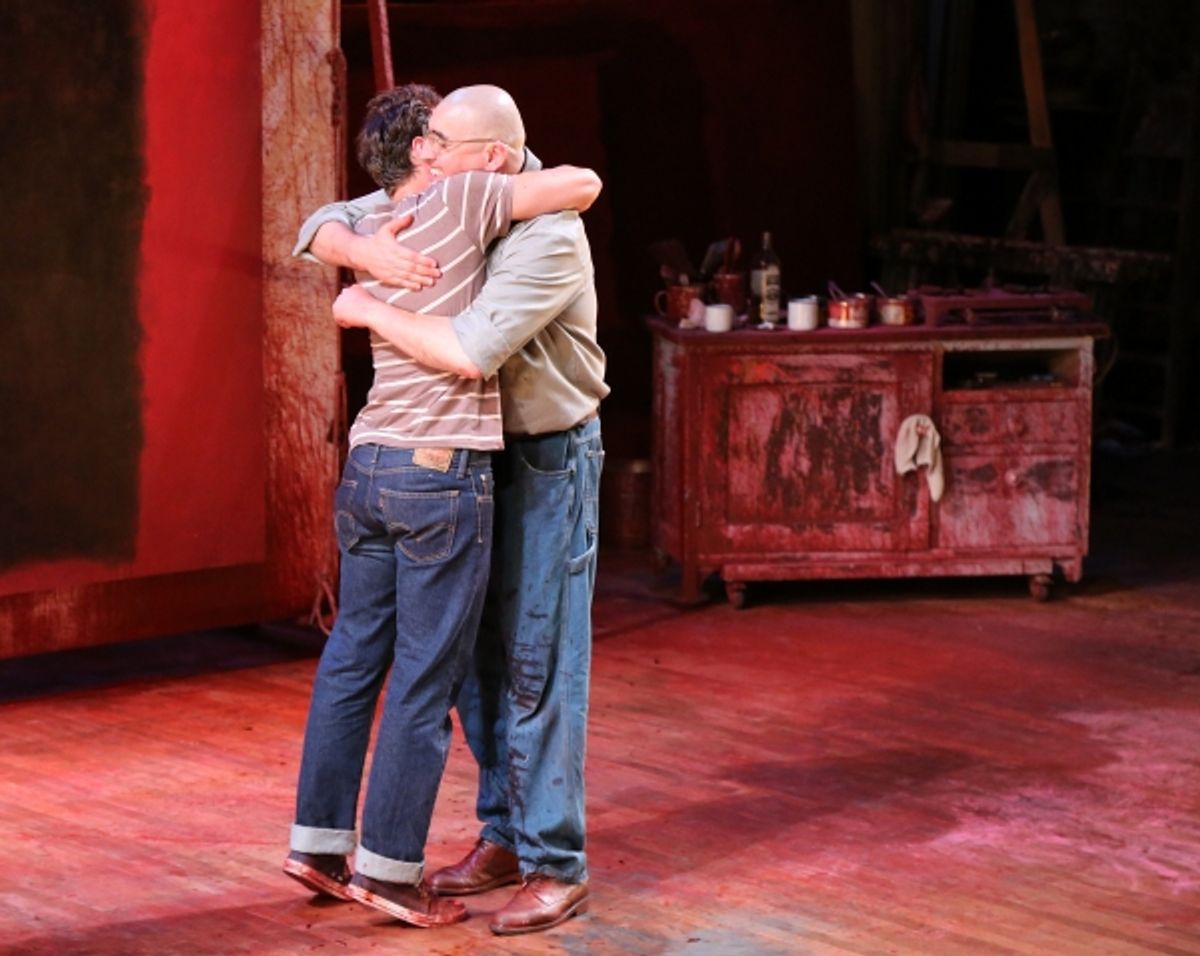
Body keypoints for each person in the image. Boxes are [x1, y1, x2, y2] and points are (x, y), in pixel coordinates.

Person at [284, 83, 602, 929]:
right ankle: (504, 833)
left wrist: (363, 304)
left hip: (541, 458)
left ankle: (554, 859)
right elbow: (321, 223)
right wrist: (366, 250)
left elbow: (471, 350)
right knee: (469, 664)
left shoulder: (545, 232)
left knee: (536, 662)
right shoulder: (445, 193)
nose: (421, 159)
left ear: (489, 160)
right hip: (459, 462)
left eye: (438, 146)